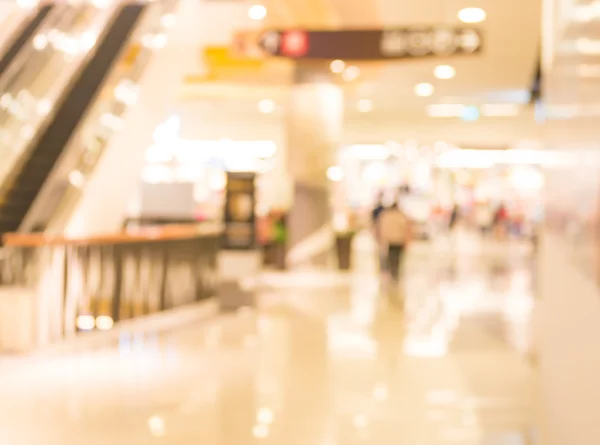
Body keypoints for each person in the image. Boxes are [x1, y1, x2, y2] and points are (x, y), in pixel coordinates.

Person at [378, 199, 411, 281]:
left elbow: (382, 228)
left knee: (391, 257)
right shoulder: (401, 216)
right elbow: (406, 228)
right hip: (399, 240)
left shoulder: (386, 216)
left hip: (390, 240)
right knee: (397, 258)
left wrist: (382, 238)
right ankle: (395, 273)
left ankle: (393, 273)